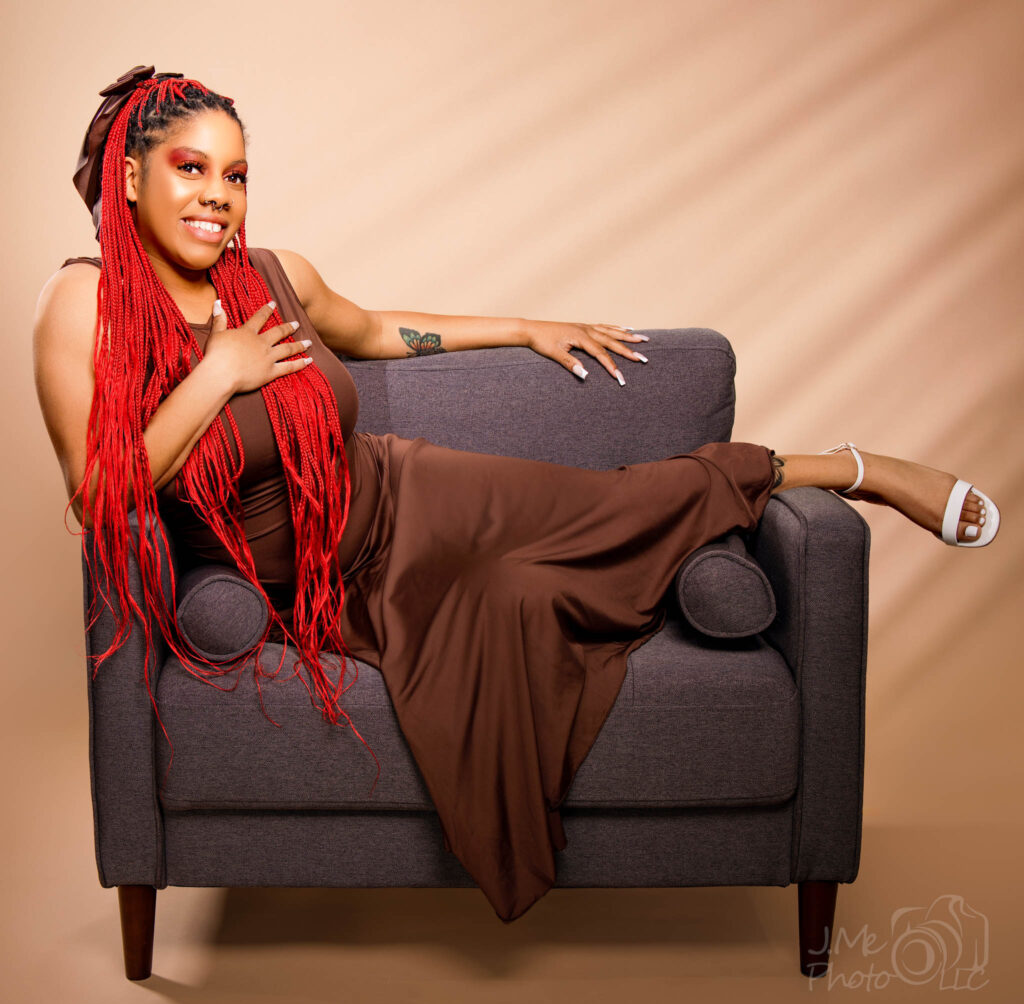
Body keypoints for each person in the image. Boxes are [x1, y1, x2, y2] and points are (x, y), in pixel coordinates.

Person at [33, 66, 1000, 924]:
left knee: (613, 504)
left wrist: (526, 327)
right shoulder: (83, 301)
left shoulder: (273, 277)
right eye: (192, 168)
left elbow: (371, 331)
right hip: (336, 582)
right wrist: (219, 373)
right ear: (132, 176)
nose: (220, 196)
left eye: (236, 174)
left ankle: (846, 469)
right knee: (513, 602)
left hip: (400, 486)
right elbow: (99, 495)